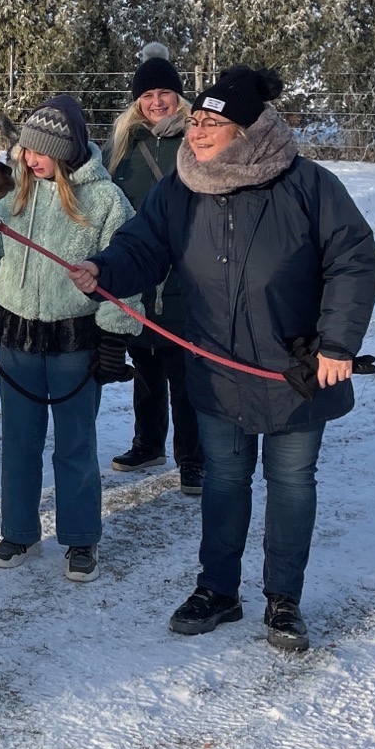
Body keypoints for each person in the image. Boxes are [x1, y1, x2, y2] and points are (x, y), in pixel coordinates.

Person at [70, 65, 375, 651]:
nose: (199, 132)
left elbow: (353, 260)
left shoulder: (308, 185)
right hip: (216, 361)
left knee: (290, 481)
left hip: (295, 368)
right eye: (198, 122)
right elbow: (144, 245)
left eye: (213, 123)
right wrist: (104, 270)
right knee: (225, 480)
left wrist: (338, 344)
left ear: (249, 129)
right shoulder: (180, 188)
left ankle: (283, 599)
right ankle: (218, 590)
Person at [0, 95, 139, 582]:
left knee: (74, 444)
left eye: (40, 151)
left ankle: (81, 537)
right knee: (19, 442)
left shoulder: (105, 201)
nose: (29, 157)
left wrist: (115, 339)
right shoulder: (16, 193)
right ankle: (18, 531)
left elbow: (127, 275)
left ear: (67, 151)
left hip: (74, 341)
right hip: (17, 335)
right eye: (26, 148)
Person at [105, 42, 203, 493]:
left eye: (164, 92)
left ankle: (192, 457)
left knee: (183, 370)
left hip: (187, 268)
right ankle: (148, 442)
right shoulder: (124, 144)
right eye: (147, 95)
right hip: (139, 268)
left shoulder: (197, 138)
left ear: (178, 96)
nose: (156, 101)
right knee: (143, 359)